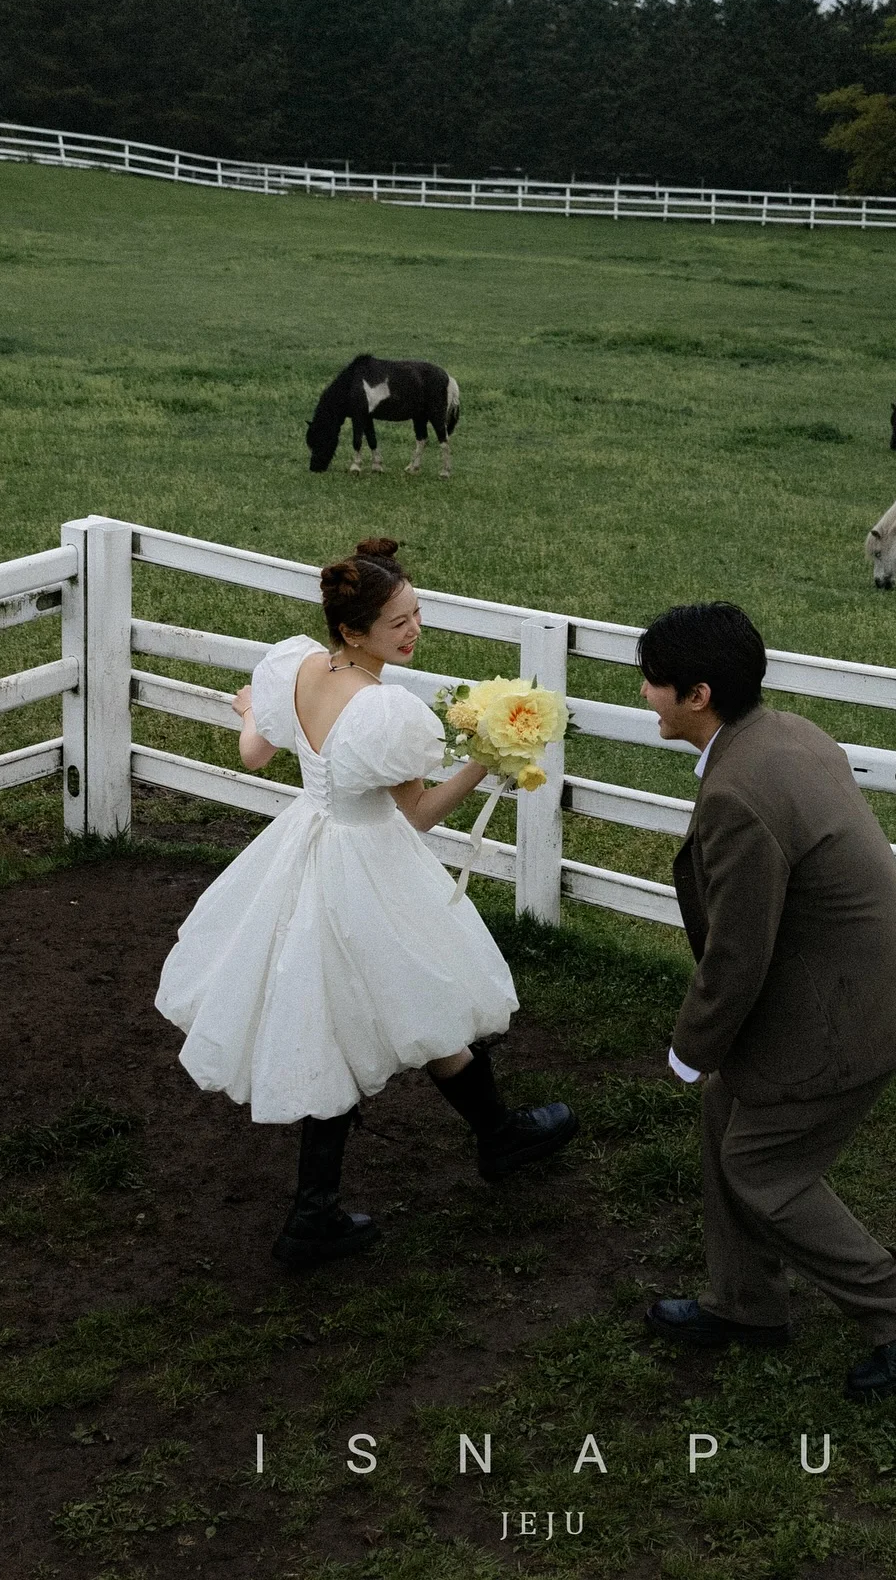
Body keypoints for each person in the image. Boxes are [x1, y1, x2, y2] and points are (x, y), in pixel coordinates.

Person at [155, 537, 578, 1269]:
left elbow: (255, 752)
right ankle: (311, 1217)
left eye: (417, 614)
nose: (414, 631)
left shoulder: (296, 668)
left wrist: (251, 706)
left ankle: (498, 1135)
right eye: (398, 623)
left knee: (409, 996)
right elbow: (414, 815)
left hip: (307, 843)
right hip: (364, 860)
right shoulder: (387, 711)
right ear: (354, 632)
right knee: (348, 1016)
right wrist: (488, 759)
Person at [636, 601, 896, 1402]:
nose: (645, 694)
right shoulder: (787, 734)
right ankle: (746, 1304)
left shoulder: (738, 794)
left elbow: (738, 951)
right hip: (863, 987)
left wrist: (691, 1047)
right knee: (728, 1116)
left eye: (654, 683)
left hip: (846, 1019)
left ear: (698, 695)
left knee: (762, 1171)